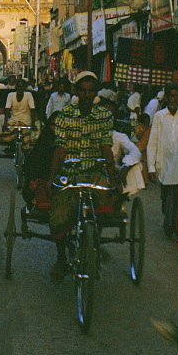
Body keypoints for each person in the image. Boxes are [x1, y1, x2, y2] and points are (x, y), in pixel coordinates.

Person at [47, 72, 118, 282]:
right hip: (69, 173)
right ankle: (61, 258)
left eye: (91, 91)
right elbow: (59, 150)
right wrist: (52, 179)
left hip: (94, 172)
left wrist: (113, 178)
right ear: (76, 92)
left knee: (107, 205)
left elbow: (106, 148)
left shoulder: (104, 116)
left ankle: (94, 241)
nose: (87, 96)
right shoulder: (65, 115)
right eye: (83, 91)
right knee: (58, 217)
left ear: (95, 94)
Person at [148, 84, 178, 239]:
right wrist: (151, 167)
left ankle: (176, 226)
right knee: (168, 197)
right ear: (167, 98)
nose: (175, 99)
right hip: (165, 164)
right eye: (172, 96)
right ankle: (169, 223)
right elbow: (153, 142)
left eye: (177, 96)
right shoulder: (159, 116)